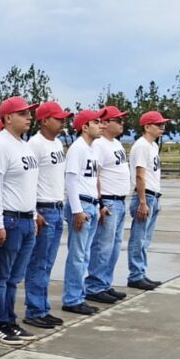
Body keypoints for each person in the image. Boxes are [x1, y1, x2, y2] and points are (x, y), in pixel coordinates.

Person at [0, 96, 40, 345]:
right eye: (23, 113)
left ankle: (10, 320)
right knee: (0, 276)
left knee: (14, 277)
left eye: (29, 113)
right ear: (8, 118)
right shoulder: (0, 146)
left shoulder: (24, 146)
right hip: (9, 219)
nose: (29, 117)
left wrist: (35, 212)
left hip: (26, 220)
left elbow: (29, 184)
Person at [23, 101, 70, 329]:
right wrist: (34, 212)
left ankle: (42, 307)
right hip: (43, 209)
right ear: (44, 121)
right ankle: (34, 309)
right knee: (38, 263)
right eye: (58, 118)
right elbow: (29, 180)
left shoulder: (58, 143)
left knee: (48, 263)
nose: (62, 122)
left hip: (56, 207)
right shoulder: (35, 145)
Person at [84, 106, 130, 305]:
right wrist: (101, 203)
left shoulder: (117, 144)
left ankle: (104, 283)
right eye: (117, 120)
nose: (122, 123)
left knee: (114, 246)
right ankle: (94, 285)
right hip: (109, 201)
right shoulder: (100, 145)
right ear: (106, 122)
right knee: (103, 246)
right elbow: (97, 175)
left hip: (120, 201)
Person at [62, 108, 105, 314]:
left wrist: (99, 204)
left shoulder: (93, 149)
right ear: (85, 126)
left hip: (91, 204)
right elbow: (70, 180)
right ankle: (71, 299)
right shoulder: (77, 148)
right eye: (96, 122)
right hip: (81, 204)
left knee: (85, 254)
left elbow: (93, 180)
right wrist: (77, 210)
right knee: (77, 255)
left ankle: (78, 295)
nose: (101, 125)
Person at [126, 110, 169, 289]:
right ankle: (135, 274)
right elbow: (140, 175)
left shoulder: (153, 146)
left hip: (153, 195)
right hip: (145, 195)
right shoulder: (142, 146)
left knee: (145, 239)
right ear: (147, 127)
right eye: (158, 125)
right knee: (139, 237)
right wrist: (143, 201)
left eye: (162, 124)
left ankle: (141, 272)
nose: (162, 128)